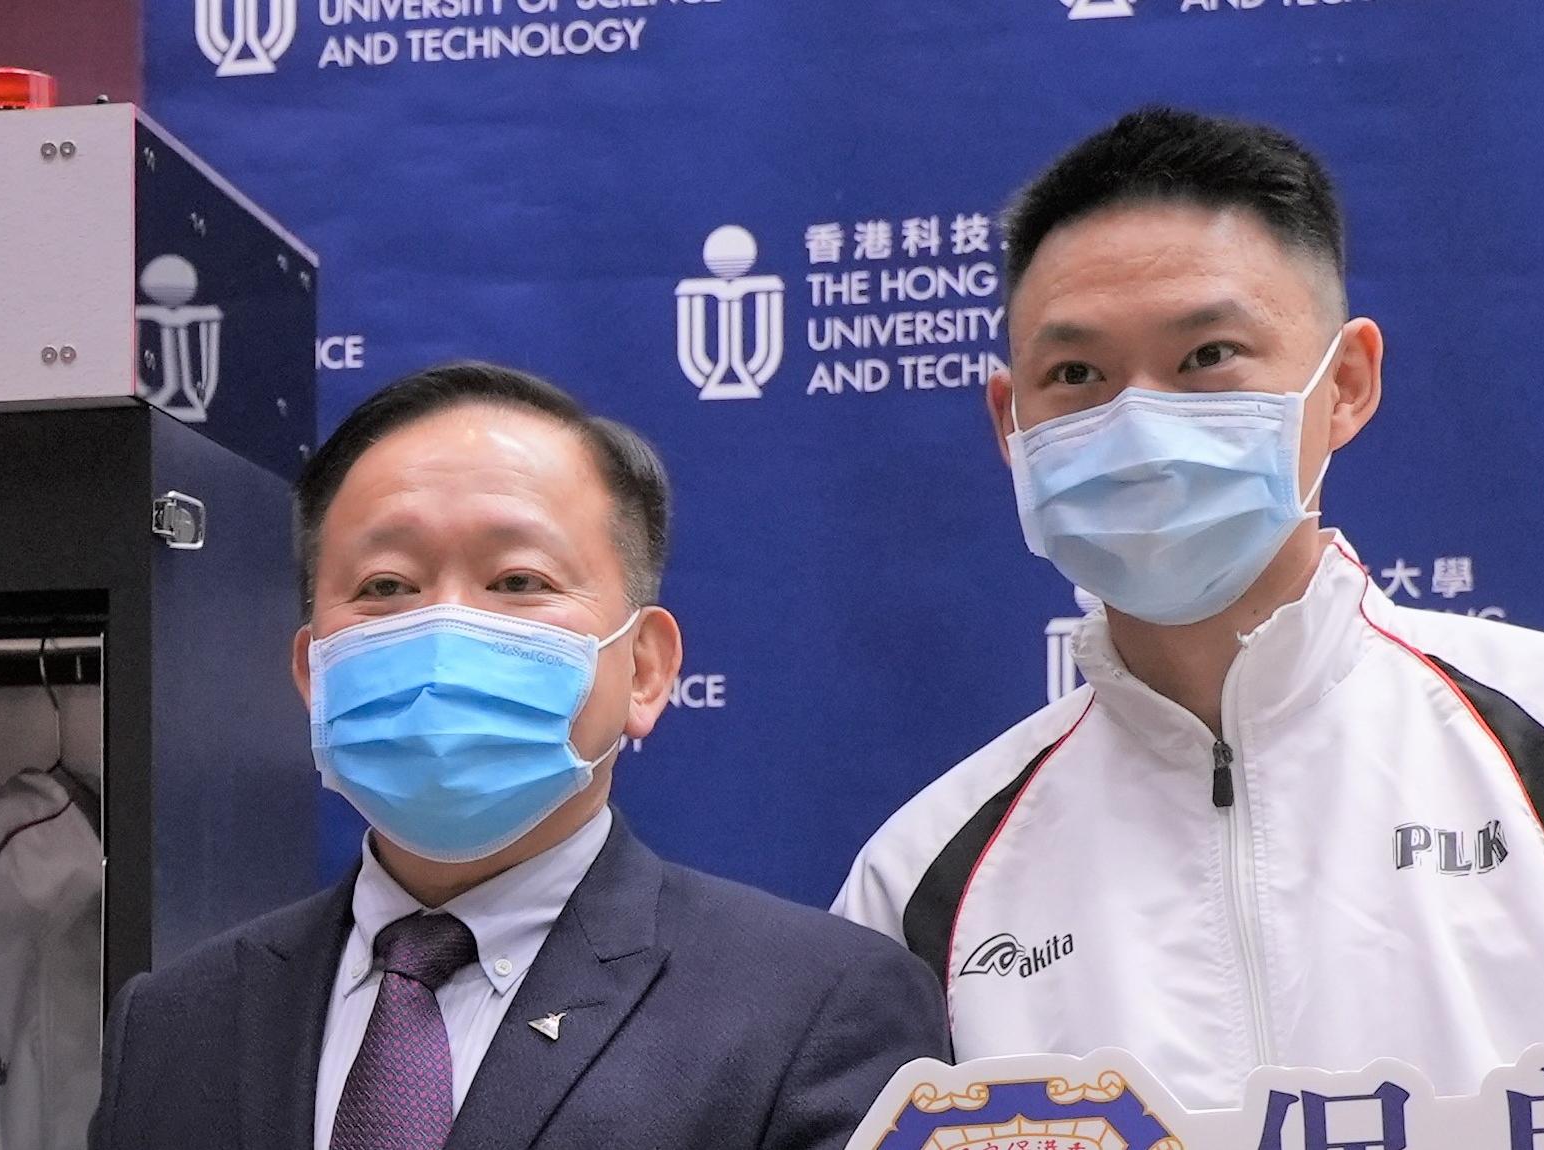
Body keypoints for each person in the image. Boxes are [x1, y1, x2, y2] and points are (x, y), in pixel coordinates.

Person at [831, 107, 1544, 1106]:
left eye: (1206, 357)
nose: (1139, 416)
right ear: (1011, 423)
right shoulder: (923, 874)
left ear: (1347, 382)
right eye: (1075, 373)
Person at [94, 364, 949, 1150]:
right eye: (385, 587)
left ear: (645, 669)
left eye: (517, 582)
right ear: (312, 671)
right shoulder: (173, 1022)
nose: (443, 629)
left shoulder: (816, 1006)